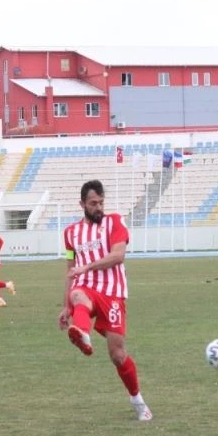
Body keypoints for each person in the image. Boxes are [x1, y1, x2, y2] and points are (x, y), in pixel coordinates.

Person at [58, 180, 152, 421]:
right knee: (78, 294)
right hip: (86, 287)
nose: (98, 207)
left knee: (117, 354)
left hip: (112, 293)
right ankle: (82, 333)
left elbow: (118, 256)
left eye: (101, 202)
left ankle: (137, 400)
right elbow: (70, 268)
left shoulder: (115, 222)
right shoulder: (70, 234)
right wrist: (66, 306)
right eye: (93, 203)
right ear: (82, 204)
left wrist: (86, 266)